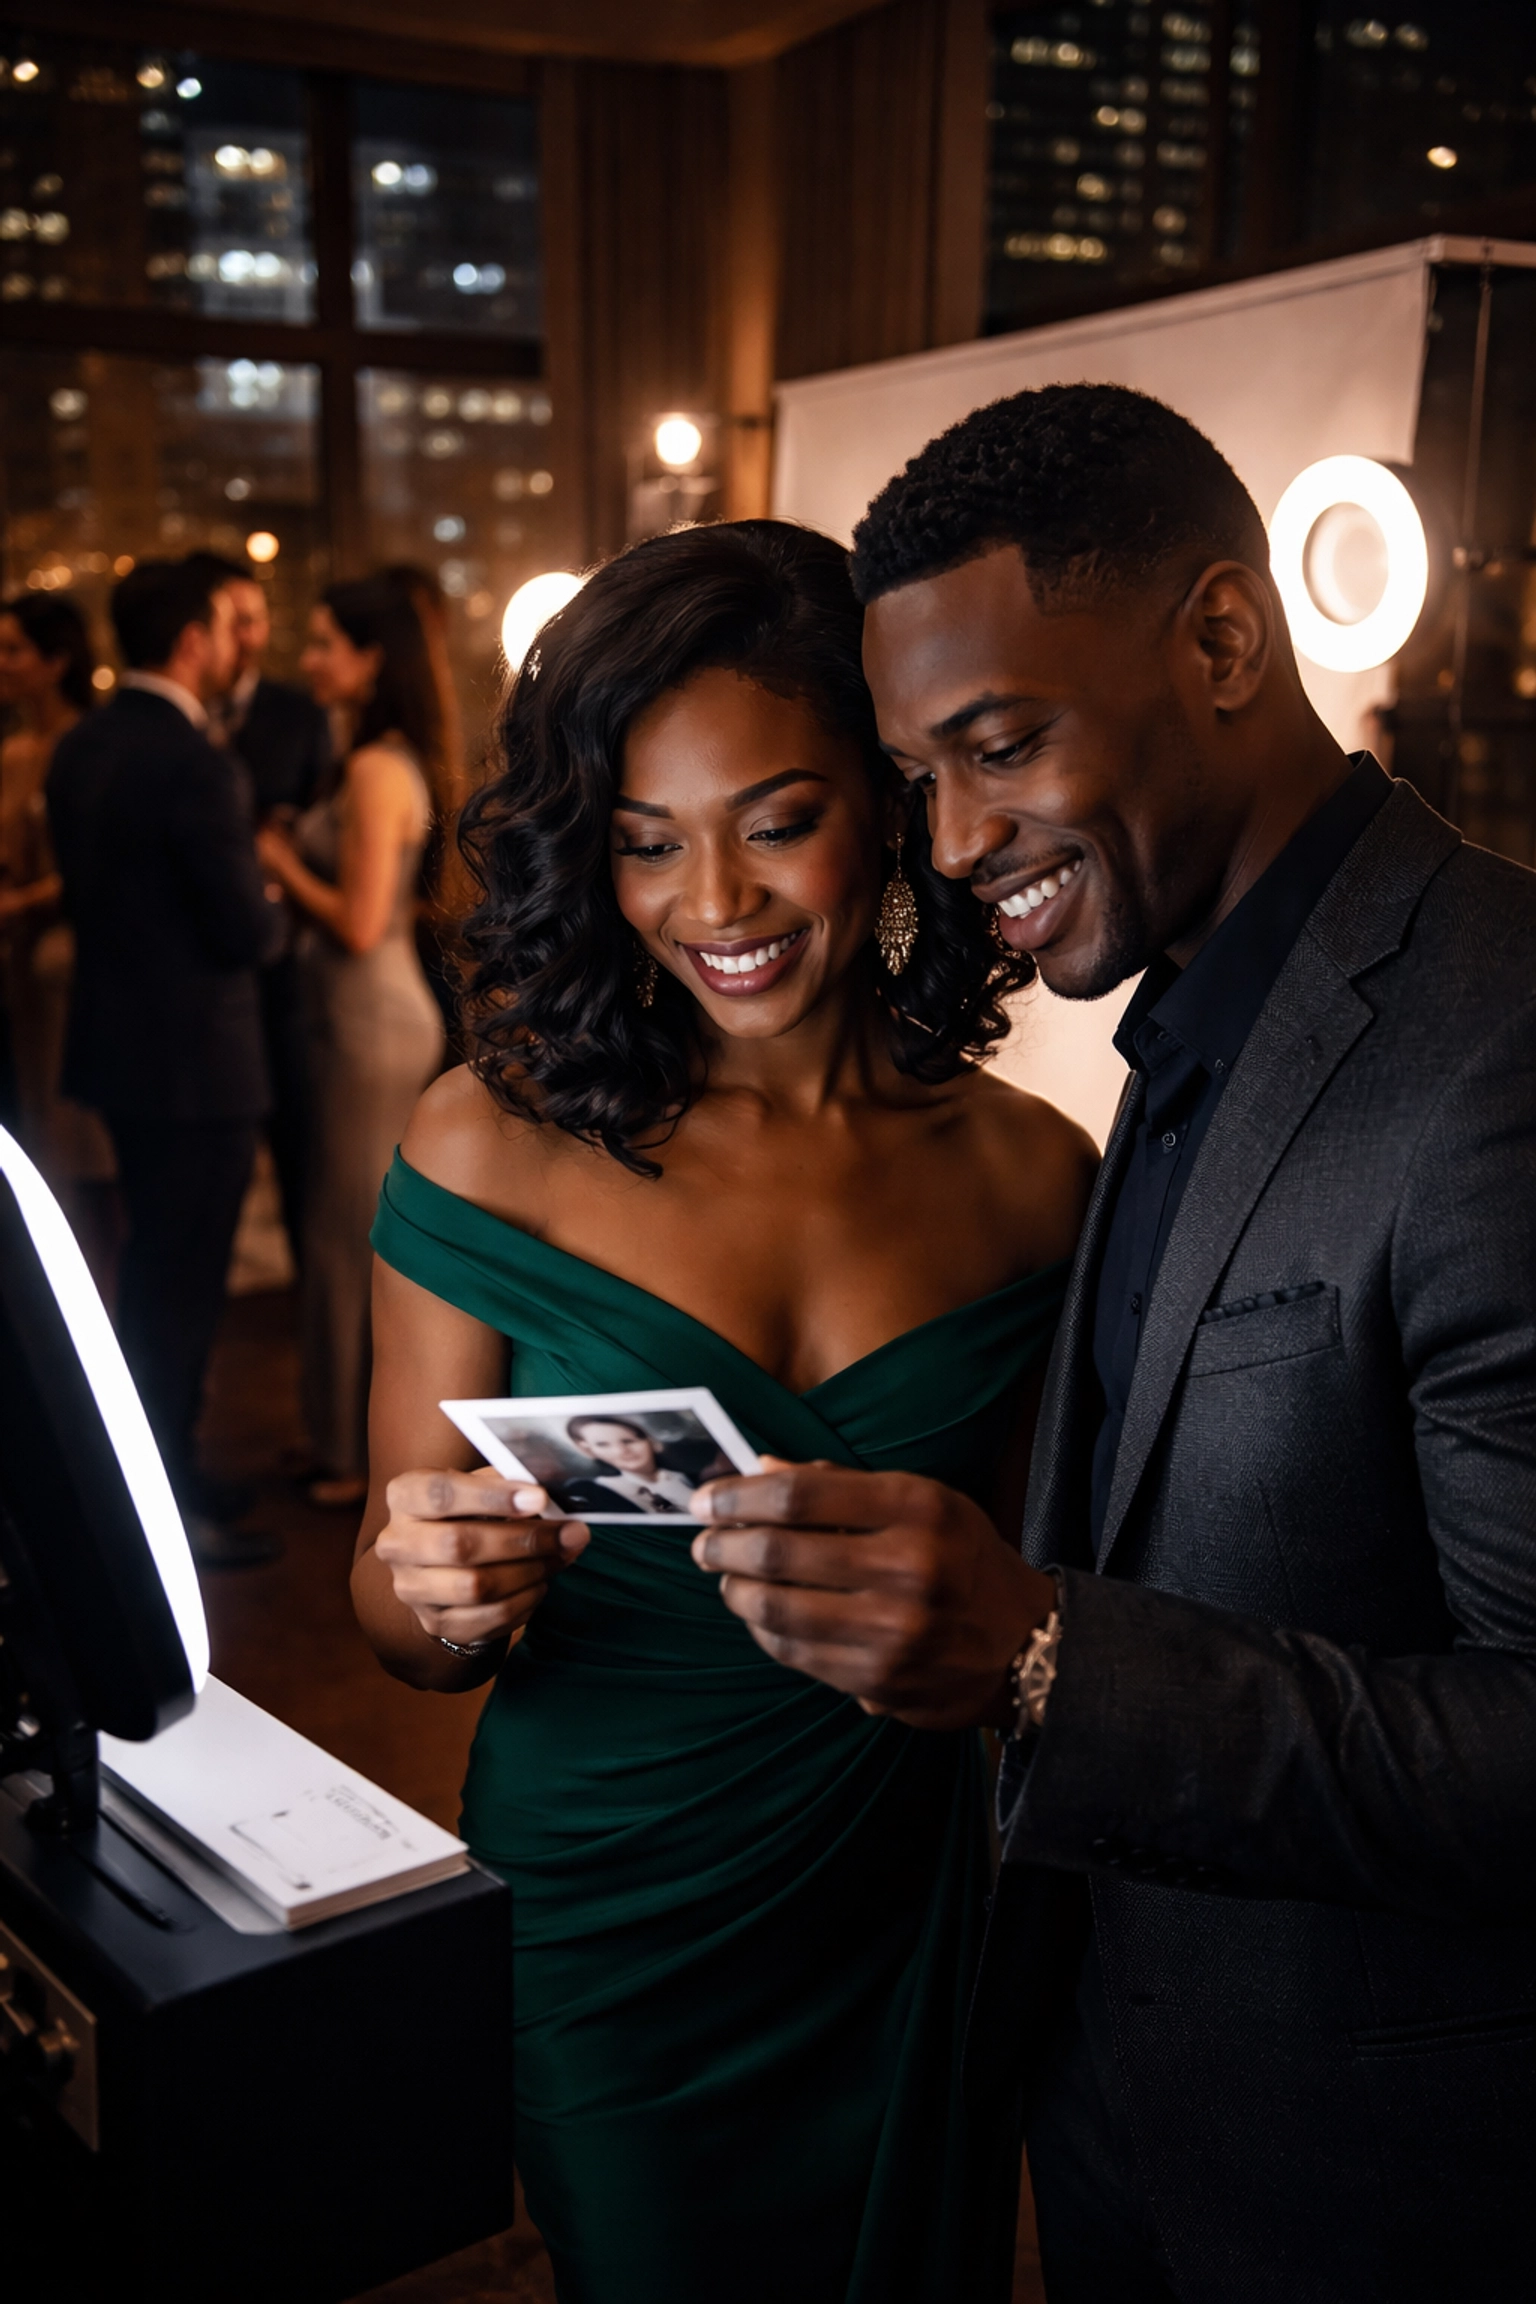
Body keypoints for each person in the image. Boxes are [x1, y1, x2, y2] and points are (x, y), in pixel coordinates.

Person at [682, 389, 1536, 2303]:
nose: (959, 837)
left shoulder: (1498, 1043)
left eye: (1001, 743)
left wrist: (1046, 1651)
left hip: (1381, 2189)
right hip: (1119, 2125)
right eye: (917, 774)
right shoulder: (1177, 1022)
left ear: (1225, 639)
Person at [349, 520, 1095, 2304]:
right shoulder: (488, 1141)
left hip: (900, 1893)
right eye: (643, 840)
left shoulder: (1033, 1182)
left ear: (890, 797)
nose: (715, 904)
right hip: (611, 1903)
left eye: (776, 819)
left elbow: (1028, 1595)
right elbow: (392, 1609)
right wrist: (435, 1592)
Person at [47, 558, 282, 1566]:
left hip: (117, 1050)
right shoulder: (195, 760)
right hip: (198, 1067)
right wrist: (270, 904)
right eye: (226, 631)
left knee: (150, 1278)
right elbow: (244, 934)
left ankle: (162, 1474)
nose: (237, 650)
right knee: (180, 1292)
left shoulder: (79, 746)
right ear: (190, 640)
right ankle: (163, 1507)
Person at [256, 576, 447, 1508]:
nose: (308, 659)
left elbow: (363, 923)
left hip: (370, 1021)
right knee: (334, 1237)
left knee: (349, 1240)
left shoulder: (377, 768)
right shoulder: (366, 759)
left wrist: (281, 860)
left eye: (324, 642)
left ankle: (355, 1456)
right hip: (351, 1018)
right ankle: (333, 1434)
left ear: (371, 660)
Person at [192, 552, 331, 1266]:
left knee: (308, 1168)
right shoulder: (173, 727)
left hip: (287, 983)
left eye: (255, 621)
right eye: (231, 623)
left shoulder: (298, 715)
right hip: (197, 998)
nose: (245, 638)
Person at [0, 594, 116, 1243]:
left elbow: (92, 872)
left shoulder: (88, 744)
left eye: (13, 648)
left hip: (64, 964)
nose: (2, 663)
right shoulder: (14, 751)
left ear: (56, 661)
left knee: (76, 1150)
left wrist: (20, 901)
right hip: (17, 966)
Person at [553, 1415, 705, 1515]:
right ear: (588, 1450)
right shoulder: (588, 1491)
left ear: (652, 1441)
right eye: (602, 1445)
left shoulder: (695, 1478)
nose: (621, 1451)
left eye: (629, 1441)